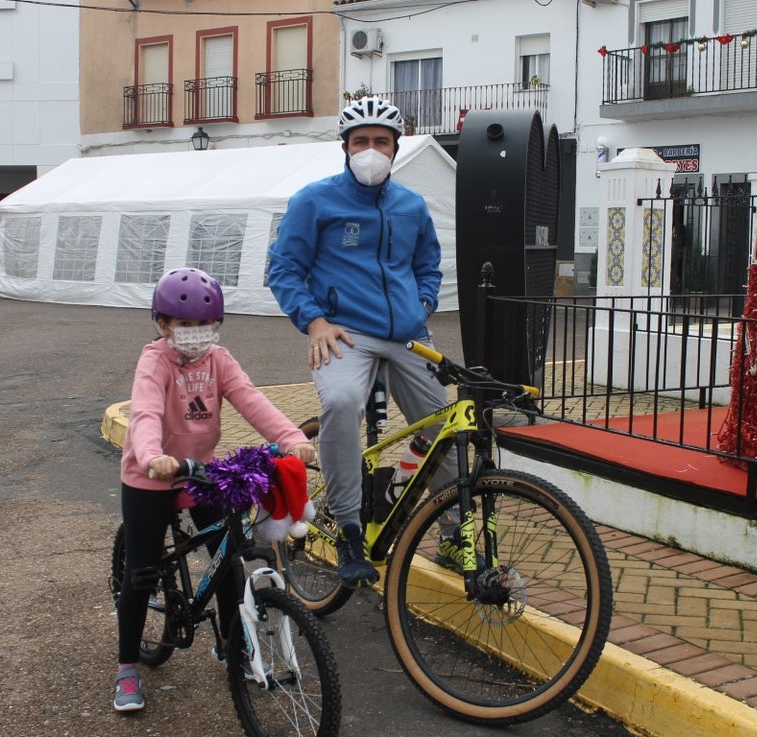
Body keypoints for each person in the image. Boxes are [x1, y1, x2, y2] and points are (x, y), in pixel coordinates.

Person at [267, 96, 466, 590]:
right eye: (361, 142)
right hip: (344, 333)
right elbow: (283, 268)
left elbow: (427, 264)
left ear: (395, 148)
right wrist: (313, 321)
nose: (371, 150)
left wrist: (422, 305)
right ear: (345, 148)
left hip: (407, 335)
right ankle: (349, 530)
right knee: (341, 402)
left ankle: (455, 536)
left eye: (381, 141)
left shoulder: (411, 205)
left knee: (444, 428)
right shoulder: (314, 200)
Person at [114, 267, 315, 713]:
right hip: (150, 474)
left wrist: (291, 438)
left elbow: (251, 400)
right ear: (163, 324)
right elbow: (145, 412)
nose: (196, 333)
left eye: (205, 324)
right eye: (185, 324)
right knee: (142, 572)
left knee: (230, 559)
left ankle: (232, 646)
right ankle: (127, 666)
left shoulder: (219, 360)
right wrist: (150, 455)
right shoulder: (155, 361)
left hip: (200, 472)